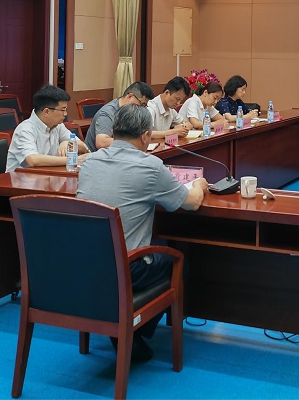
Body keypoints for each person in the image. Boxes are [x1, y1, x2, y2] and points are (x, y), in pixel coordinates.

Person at [77, 104, 209, 363]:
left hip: (84, 264)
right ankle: (133, 329)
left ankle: (126, 328)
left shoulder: (89, 162)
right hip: (126, 270)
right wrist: (199, 185)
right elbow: (192, 203)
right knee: (180, 260)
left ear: (114, 132)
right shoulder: (151, 165)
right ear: (146, 136)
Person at [6, 85, 89, 172]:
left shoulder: (58, 125)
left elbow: (84, 147)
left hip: (47, 175)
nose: (65, 114)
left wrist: (68, 143)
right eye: (62, 110)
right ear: (46, 112)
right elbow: (32, 160)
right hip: (20, 179)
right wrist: (73, 160)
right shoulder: (25, 129)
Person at [84, 82, 154, 152]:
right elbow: (102, 143)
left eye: (145, 106)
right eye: (142, 104)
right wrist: (133, 141)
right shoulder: (107, 113)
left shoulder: (130, 112)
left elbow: (141, 134)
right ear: (130, 97)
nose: (142, 108)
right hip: (98, 156)